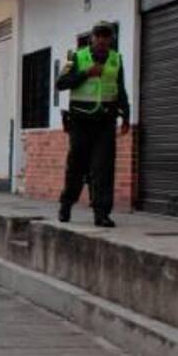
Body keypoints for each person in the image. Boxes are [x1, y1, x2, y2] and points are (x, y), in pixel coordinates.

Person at [56, 20, 132, 228]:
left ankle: (101, 213)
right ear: (92, 38)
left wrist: (126, 116)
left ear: (110, 39)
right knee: (76, 167)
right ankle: (66, 204)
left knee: (103, 169)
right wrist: (85, 74)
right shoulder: (77, 57)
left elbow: (120, 89)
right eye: (98, 35)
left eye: (105, 36)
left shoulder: (116, 60)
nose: (101, 40)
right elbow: (60, 84)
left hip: (105, 121)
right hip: (80, 121)